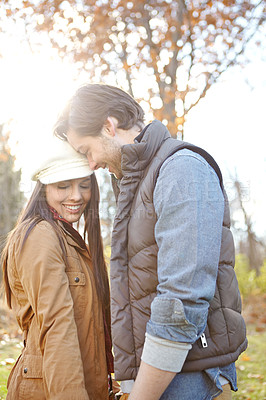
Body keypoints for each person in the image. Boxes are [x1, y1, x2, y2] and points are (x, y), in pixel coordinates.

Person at [54, 84, 248, 400]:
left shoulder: (180, 168)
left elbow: (181, 302)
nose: (90, 164)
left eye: (87, 150)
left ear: (108, 126)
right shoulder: (138, 182)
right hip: (160, 376)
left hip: (192, 377)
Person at [1, 137, 115, 400]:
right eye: (63, 185)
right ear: (44, 189)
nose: (76, 195)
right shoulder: (40, 235)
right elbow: (57, 326)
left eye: (84, 185)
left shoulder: (70, 239)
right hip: (52, 390)